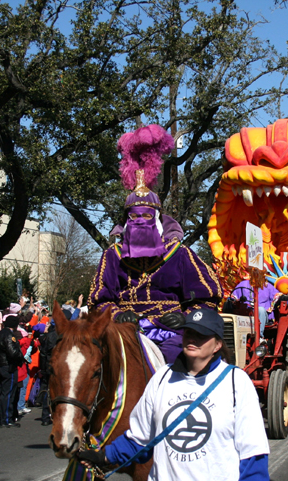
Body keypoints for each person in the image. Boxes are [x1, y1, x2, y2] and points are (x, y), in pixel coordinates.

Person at [77, 308, 270, 481]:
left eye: (201, 335)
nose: (193, 339)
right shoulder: (161, 379)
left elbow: (253, 452)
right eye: (189, 333)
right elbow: (139, 439)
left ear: (217, 344)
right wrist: (103, 455)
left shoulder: (237, 383)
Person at [88, 125, 222, 364]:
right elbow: (98, 300)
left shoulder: (180, 255)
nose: (140, 221)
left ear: (159, 220)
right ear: (125, 221)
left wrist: (185, 317)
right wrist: (117, 314)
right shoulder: (112, 256)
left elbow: (208, 297)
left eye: (147, 216)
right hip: (123, 331)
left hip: (172, 332)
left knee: (176, 356)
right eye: (134, 216)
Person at [0, 315, 24, 428]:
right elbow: (13, 352)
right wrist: (20, 356)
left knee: (0, 392)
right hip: (8, 366)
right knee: (9, 393)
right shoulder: (10, 336)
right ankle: (7, 418)